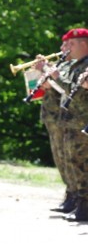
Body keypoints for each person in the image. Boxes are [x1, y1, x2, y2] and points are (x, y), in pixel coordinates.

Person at [47, 28, 88, 222]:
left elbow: (75, 92)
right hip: (70, 120)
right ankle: (78, 202)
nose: (67, 47)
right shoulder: (76, 65)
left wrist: (57, 79)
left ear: (84, 44)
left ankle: (83, 205)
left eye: (72, 43)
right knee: (71, 163)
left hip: (80, 121)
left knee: (81, 164)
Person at [33, 41, 75, 213]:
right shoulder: (62, 65)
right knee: (60, 158)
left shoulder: (73, 67)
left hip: (64, 117)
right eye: (63, 45)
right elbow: (47, 87)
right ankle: (71, 195)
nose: (62, 49)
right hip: (52, 117)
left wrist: (47, 72)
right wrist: (41, 75)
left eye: (67, 45)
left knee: (68, 159)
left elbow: (67, 88)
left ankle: (76, 197)